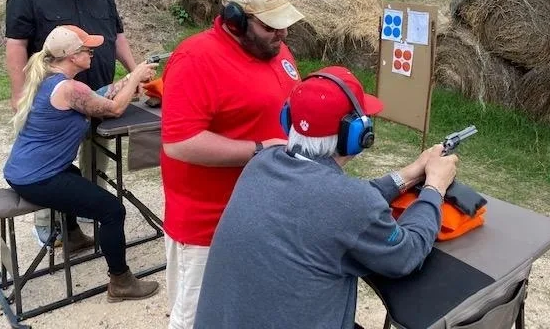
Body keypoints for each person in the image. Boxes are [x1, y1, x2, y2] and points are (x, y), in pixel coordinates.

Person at [194, 66, 459, 329]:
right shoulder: (348, 205)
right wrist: (435, 187)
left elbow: (338, 206)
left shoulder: (262, 164)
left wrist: (409, 174)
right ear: (357, 135)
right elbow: (406, 254)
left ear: (289, 120)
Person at [161, 0, 305, 328]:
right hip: (209, 226)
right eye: (270, 26)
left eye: (283, 24)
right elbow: (180, 143)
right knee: (197, 319)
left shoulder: (276, 48)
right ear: (237, 20)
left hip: (265, 215)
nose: (282, 34)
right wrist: (259, 149)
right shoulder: (196, 58)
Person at [3, 25, 159, 302]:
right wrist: (134, 76)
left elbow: (93, 97)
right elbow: (113, 109)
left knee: (73, 175)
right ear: (72, 55)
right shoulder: (69, 87)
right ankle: (121, 281)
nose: (92, 53)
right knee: (113, 210)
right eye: (87, 49)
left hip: (25, 170)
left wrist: (120, 85)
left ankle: (73, 237)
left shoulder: (50, 78)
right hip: (37, 177)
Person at [5, 0, 138, 245]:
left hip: (98, 92)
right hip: (55, 101)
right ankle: (50, 227)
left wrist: (134, 72)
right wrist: (18, 93)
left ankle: (87, 210)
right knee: (49, 162)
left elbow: (117, 37)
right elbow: (16, 46)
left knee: (98, 156)